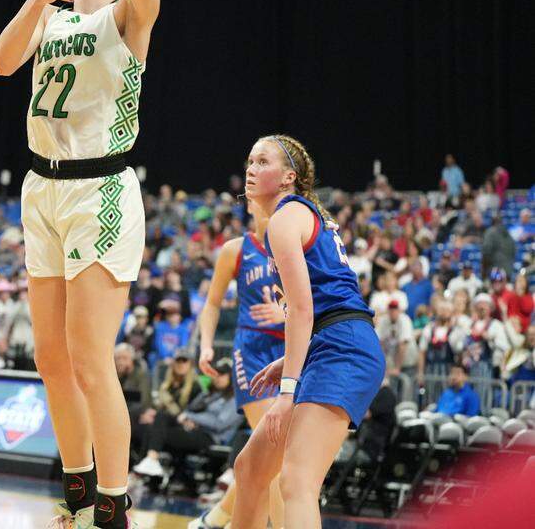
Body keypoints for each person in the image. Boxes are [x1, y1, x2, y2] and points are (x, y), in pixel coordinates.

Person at [0, 0, 174, 529]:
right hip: (41, 188)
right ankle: (75, 479)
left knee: (91, 358)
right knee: (49, 357)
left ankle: (115, 499)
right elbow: (3, 62)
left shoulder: (132, 14)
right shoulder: (53, 20)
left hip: (100, 188)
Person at [232, 135, 384, 529]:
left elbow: (302, 309)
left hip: (344, 348)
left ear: (288, 177)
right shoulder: (298, 217)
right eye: (250, 161)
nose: (251, 168)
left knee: (296, 481)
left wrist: (286, 390)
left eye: (262, 162)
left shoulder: (286, 217)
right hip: (332, 341)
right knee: (249, 469)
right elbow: (320, 307)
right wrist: (288, 360)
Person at [189, 201, 285, 529]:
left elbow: (313, 300)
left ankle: (216, 518)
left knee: (265, 459)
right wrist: (205, 346)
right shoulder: (236, 250)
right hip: (252, 352)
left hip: (291, 350)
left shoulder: (297, 245)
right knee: (276, 449)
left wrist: (284, 314)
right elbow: (212, 303)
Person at [132, 358, 240, 486]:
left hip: (209, 437)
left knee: (155, 432)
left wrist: (191, 417)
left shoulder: (235, 399)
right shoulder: (209, 394)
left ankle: (142, 471)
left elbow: (219, 423)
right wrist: (188, 418)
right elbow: (189, 409)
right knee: (160, 418)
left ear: (231, 376)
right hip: (192, 430)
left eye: (222, 374)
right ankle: (150, 460)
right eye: (215, 373)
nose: (217, 377)